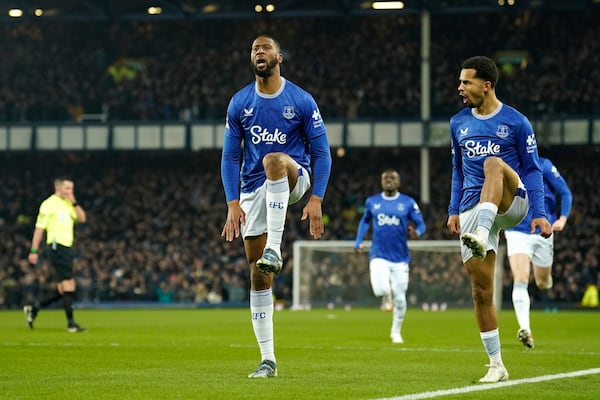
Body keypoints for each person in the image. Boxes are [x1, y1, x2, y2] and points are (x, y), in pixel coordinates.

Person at [220, 34, 332, 379]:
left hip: (295, 176)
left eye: (265, 48)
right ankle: (267, 360)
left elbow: (322, 152)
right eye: (254, 48)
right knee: (258, 274)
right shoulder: (240, 102)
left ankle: (275, 247)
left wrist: (316, 199)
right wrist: (232, 202)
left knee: (274, 160)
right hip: (254, 190)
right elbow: (230, 155)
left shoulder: (301, 100)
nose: (259, 52)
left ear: (279, 57)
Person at [446, 56, 552, 383]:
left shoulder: (517, 122)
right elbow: (458, 170)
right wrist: (452, 210)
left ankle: (479, 230)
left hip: (511, 201)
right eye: (460, 82)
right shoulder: (458, 123)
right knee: (481, 290)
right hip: (471, 207)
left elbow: (532, 170)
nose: (460, 87)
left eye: (467, 82)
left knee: (493, 162)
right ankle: (496, 365)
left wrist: (540, 213)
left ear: (486, 85)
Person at [504, 156, 572, 349]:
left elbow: (565, 193)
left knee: (543, 282)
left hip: (543, 230)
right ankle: (526, 330)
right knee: (521, 279)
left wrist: (563, 219)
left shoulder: (545, 165)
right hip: (517, 231)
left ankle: (546, 280)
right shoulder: (507, 165)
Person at [354, 169, 426, 344]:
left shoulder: (407, 203)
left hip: (400, 257)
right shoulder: (372, 202)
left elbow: (421, 224)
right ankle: (387, 296)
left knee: (400, 298)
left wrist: (417, 232)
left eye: (392, 178)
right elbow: (365, 221)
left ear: (398, 182)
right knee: (381, 290)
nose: (388, 181)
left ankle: (396, 331)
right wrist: (358, 240)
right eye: (385, 178)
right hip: (378, 254)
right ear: (381, 181)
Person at [23, 176, 87, 333]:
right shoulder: (48, 204)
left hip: (67, 247)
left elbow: (82, 218)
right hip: (56, 246)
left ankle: (34, 308)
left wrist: (74, 201)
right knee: (69, 285)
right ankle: (71, 324)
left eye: (72, 189)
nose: (70, 191)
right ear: (58, 188)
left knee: (63, 289)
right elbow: (39, 229)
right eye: (68, 189)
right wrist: (33, 250)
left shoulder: (68, 204)